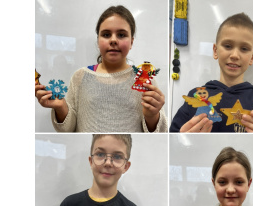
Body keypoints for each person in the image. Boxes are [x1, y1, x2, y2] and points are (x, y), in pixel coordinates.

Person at [35, 5, 167, 132]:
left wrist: (152, 115)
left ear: (131, 42)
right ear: (98, 40)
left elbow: (159, 132)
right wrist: (61, 107)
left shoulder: (144, 80)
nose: (113, 40)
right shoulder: (80, 77)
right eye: (106, 34)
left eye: (121, 35)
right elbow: (68, 128)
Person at [170, 13, 253, 133]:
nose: (235, 55)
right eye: (228, 46)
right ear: (215, 51)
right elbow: (173, 134)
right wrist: (182, 136)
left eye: (244, 49)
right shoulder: (196, 96)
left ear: (252, 57)